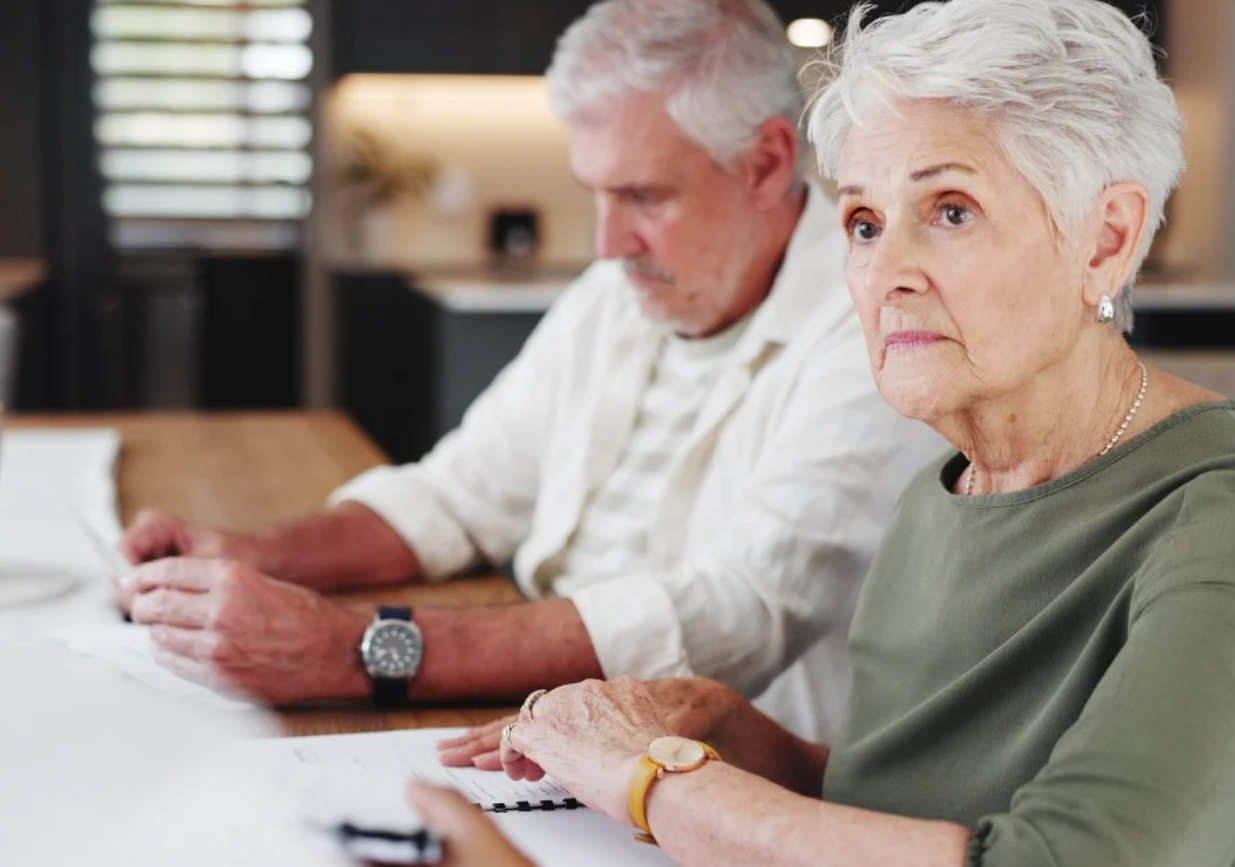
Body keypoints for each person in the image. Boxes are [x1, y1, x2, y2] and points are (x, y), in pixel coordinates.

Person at [437, 1, 1235, 865]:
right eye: (862, 221)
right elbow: (916, 813)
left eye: (949, 210)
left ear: (1105, 238)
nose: (886, 269)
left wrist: (649, 783)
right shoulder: (944, 490)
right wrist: (745, 736)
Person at [114, 0, 936, 743]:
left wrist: (357, 649)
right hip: (542, 708)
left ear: (764, 164)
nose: (607, 243)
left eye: (644, 195)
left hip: (714, 766)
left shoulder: (873, 322)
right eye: (596, 194)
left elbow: (737, 611)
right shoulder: (617, 295)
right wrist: (252, 552)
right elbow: (457, 494)